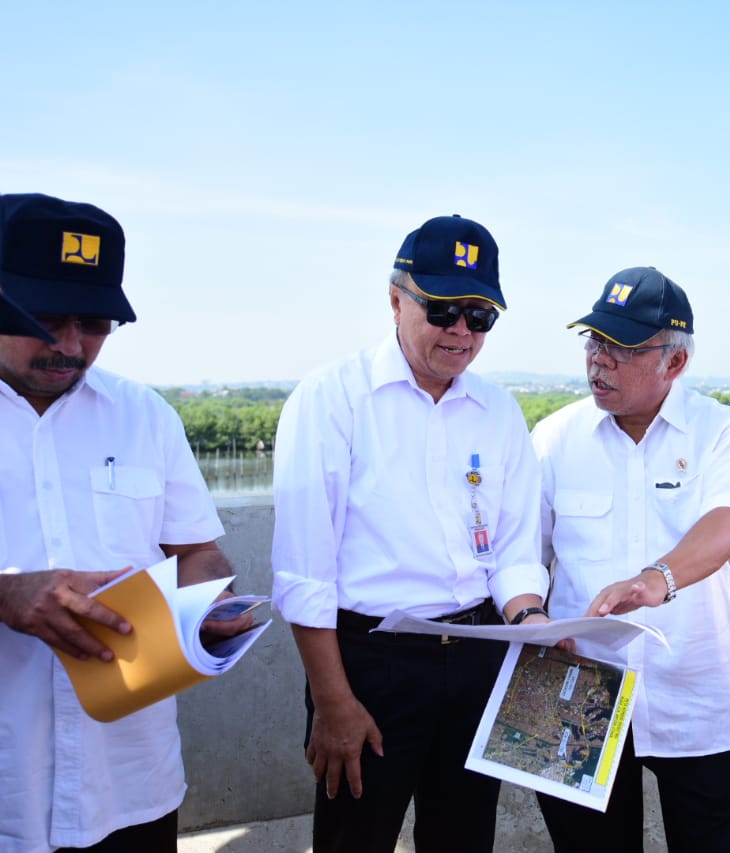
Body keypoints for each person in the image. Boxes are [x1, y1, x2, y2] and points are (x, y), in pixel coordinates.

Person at [270, 214, 550, 853]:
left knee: (464, 837)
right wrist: (333, 700)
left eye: (480, 316)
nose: (461, 331)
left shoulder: (499, 412)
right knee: (355, 840)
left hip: (480, 649)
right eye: (444, 309)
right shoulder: (332, 399)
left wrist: (531, 618)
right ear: (396, 298)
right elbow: (305, 573)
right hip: (373, 664)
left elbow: (512, 550)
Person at [0, 193, 243, 852]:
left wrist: (205, 604)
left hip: (129, 782)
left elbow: (198, 551)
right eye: (47, 318)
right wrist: (5, 592)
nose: (72, 345)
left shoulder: (146, 416)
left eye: (98, 323)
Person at [530, 266, 730, 853]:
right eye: (594, 340)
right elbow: (522, 557)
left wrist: (657, 578)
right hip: (574, 691)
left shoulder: (720, 429)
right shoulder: (554, 438)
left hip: (695, 688)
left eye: (622, 347)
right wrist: (529, 616)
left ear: (674, 363)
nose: (599, 360)